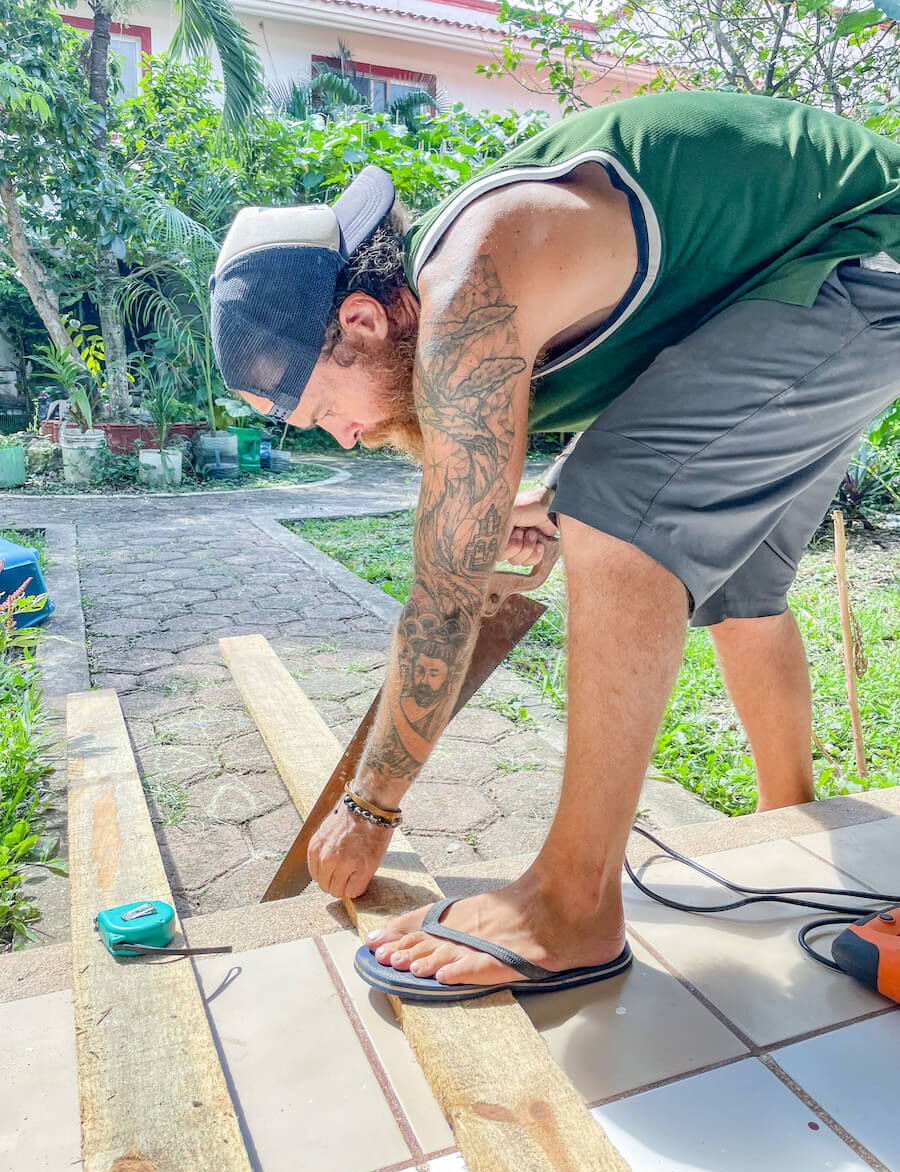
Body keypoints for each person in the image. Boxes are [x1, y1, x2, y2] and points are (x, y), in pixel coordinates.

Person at [211, 90, 900, 1001]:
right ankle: (789, 820)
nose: (342, 437)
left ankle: (571, 905)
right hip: (809, 275)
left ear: (364, 323)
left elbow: (445, 594)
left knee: (620, 512)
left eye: (325, 411)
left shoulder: (467, 294)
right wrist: (553, 494)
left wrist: (368, 806)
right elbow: (669, 358)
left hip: (859, 257)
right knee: (736, 586)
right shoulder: (482, 288)